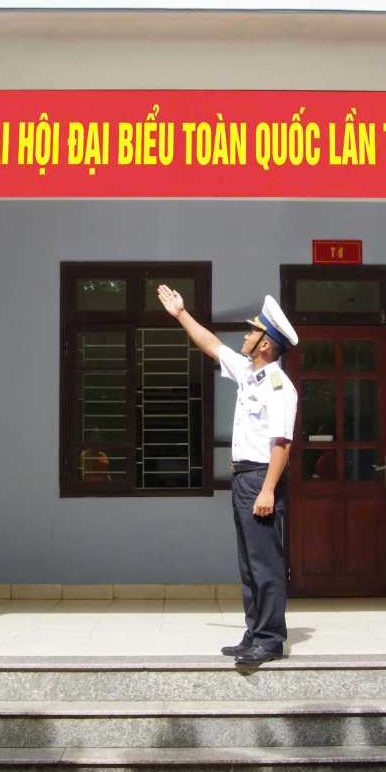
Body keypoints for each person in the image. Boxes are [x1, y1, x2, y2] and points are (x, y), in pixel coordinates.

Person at [159, 285, 298, 668]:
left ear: (266, 345)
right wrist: (181, 314)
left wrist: (268, 489)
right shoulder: (249, 374)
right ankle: (254, 632)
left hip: (261, 479)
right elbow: (211, 344)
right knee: (249, 564)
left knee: (266, 562)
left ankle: (270, 640)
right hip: (244, 479)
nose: (246, 335)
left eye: (253, 332)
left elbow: (281, 445)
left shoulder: (279, 387)